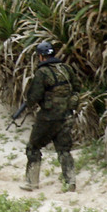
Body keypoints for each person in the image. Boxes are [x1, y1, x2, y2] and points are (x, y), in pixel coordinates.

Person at [20, 41, 79, 192]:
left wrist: (29, 104)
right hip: (67, 115)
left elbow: (34, 95)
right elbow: (77, 87)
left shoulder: (42, 73)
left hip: (48, 117)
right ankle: (70, 182)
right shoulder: (66, 68)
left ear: (40, 56)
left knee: (33, 147)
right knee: (64, 150)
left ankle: (31, 182)